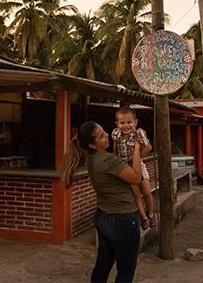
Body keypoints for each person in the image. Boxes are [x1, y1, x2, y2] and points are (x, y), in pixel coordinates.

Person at [62, 121, 143, 283]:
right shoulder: (107, 160)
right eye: (101, 136)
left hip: (103, 217)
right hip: (122, 220)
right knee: (125, 271)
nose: (106, 136)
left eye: (104, 132)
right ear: (92, 145)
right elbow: (136, 177)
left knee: (103, 264)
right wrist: (137, 149)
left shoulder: (92, 159)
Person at [111, 107, 156, 230]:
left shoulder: (138, 133)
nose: (126, 126)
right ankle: (144, 218)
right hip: (126, 169)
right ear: (117, 124)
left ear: (135, 122)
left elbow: (148, 147)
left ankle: (151, 214)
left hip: (138, 166)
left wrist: (134, 157)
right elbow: (115, 149)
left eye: (129, 122)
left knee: (146, 191)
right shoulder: (116, 133)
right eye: (122, 123)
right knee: (137, 195)